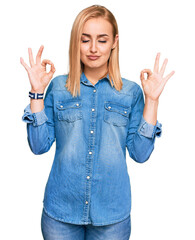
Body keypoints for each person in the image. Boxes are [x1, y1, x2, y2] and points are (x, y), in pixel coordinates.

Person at [20, 4, 175, 240]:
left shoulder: (131, 92)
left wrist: (152, 100)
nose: (93, 48)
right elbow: (38, 146)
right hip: (60, 213)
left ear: (114, 42)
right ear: (76, 42)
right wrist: (36, 93)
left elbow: (140, 154)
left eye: (102, 40)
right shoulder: (59, 88)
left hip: (112, 217)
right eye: (85, 40)